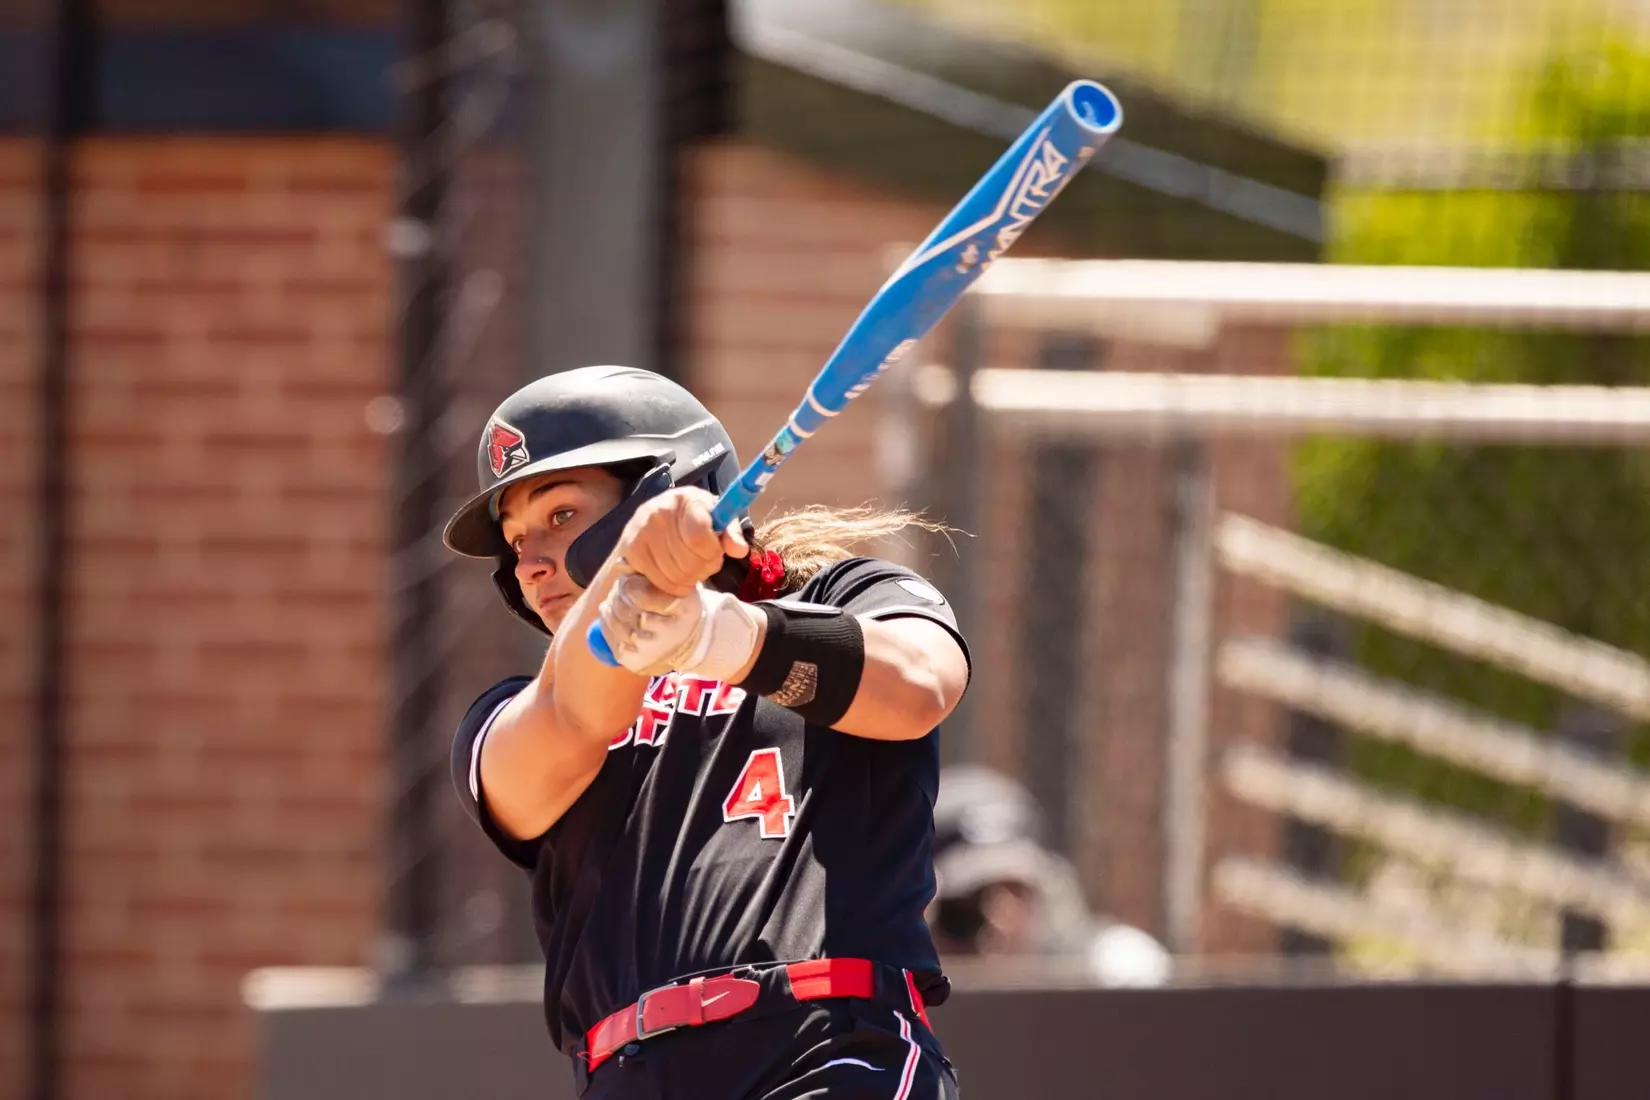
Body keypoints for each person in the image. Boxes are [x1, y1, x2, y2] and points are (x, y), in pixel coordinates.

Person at [444, 365, 970, 1099]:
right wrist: (636, 575)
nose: (529, 564)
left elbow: (920, 685)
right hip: (621, 1074)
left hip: (828, 1051)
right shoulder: (510, 710)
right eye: (516, 540)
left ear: (664, 487)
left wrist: (721, 634)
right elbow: (575, 716)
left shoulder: (844, 596)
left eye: (560, 516)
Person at [927, 766, 1172, 988]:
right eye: (970, 902)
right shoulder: (901, 997)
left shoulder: (1096, 966)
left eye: (1017, 892)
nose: (1000, 922)